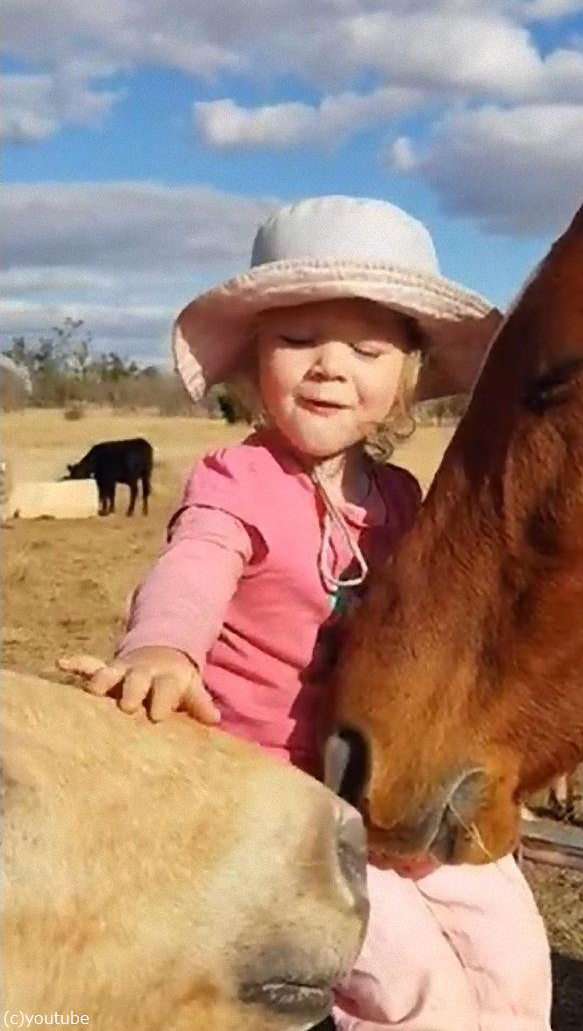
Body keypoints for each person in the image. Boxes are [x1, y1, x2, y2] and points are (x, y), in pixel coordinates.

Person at [60, 195, 552, 1031]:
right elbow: (193, 567)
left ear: (406, 375)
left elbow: (446, 631)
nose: (329, 366)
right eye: (297, 340)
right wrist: (163, 648)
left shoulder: (402, 499)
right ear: (254, 361)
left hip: (386, 772)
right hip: (273, 795)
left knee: (508, 935)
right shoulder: (236, 482)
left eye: (366, 349)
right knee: (410, 978)